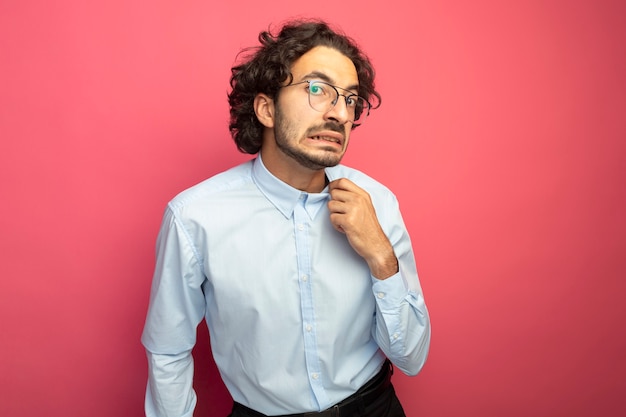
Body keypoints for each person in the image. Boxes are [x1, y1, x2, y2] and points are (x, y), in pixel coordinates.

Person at [141, 19, 430, 417]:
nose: (339, 113)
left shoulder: (376, 202)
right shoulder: (194, 218)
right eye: (317, 89)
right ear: (266, 108)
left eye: (349, 98)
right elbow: (168, 350)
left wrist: (381, 256)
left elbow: (412, 358)